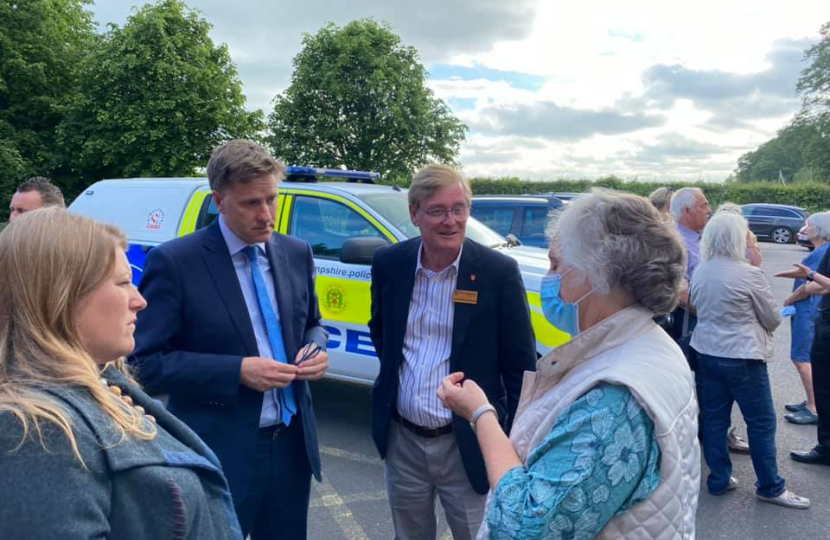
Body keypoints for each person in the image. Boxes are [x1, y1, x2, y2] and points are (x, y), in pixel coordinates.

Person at [438, 189, 699, 539]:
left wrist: (480, 414)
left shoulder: (614, 397)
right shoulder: (650, 345)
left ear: (598, 273)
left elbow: (522, 528)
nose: (550, 276)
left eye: (557, 263)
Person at [0, 209, 242, 539]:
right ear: (63, 295)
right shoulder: (36, 428)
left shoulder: (103, 383)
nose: (139, 300)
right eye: (123, 282)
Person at [132, 140, 329, 540]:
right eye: (251, 203)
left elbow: (313, 323)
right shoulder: (176, 262)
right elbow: (145, 363)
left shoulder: (296, 252)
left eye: (272, 199)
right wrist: (235, 370)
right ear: (219, 201)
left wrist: (317, 348)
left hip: (292, 446)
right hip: (221, 448)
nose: (267, 215)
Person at [369, 164, 537, 540]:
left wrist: (508, 439)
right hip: (403, 440)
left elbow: (521, 366)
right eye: (438, 210)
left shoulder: (497, 272)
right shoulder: (390, 264)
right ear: (414, 214)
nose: (451, 220)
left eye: (459, 208)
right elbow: (381, 332)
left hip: (469, 445)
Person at [690, 211, 809, 508]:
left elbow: (696, 307)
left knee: (714, 419)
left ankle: (719, 479)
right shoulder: (748, 273)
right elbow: (771, 317)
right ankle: (769, 486)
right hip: (742, 355)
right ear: (737, 238)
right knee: (761, 423)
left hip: (706, 351)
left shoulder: (702, 269)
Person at [670, 189, 750, 454]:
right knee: (698, 384)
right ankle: (701, 439)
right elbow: (680, 293)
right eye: (704, 205)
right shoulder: (676, 243)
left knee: (715, 386)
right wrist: (715, 311)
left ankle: (718, 434)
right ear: (686, 211)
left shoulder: (703, 237)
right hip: (693, 321)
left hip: (709, 321)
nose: (709, 209)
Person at [775, 212, 830, 425]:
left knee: (801, 357)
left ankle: (813, 406)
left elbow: (811, 284)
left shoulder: (823, 251)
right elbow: (806, 274)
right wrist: (784, 274)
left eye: (809, 225)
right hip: (809, 311)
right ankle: (812, 400)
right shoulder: (822, 250)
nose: (805, 228)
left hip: (808, 311)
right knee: (805, 357)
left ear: (820, 229)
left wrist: (789, 299)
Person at [790, 251, 830, 466]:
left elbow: (814, 281)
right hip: (825, 322)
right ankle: (826, 448)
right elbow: (813, 287)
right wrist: (818, 280)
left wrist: (813, 276)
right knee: (824, 388)